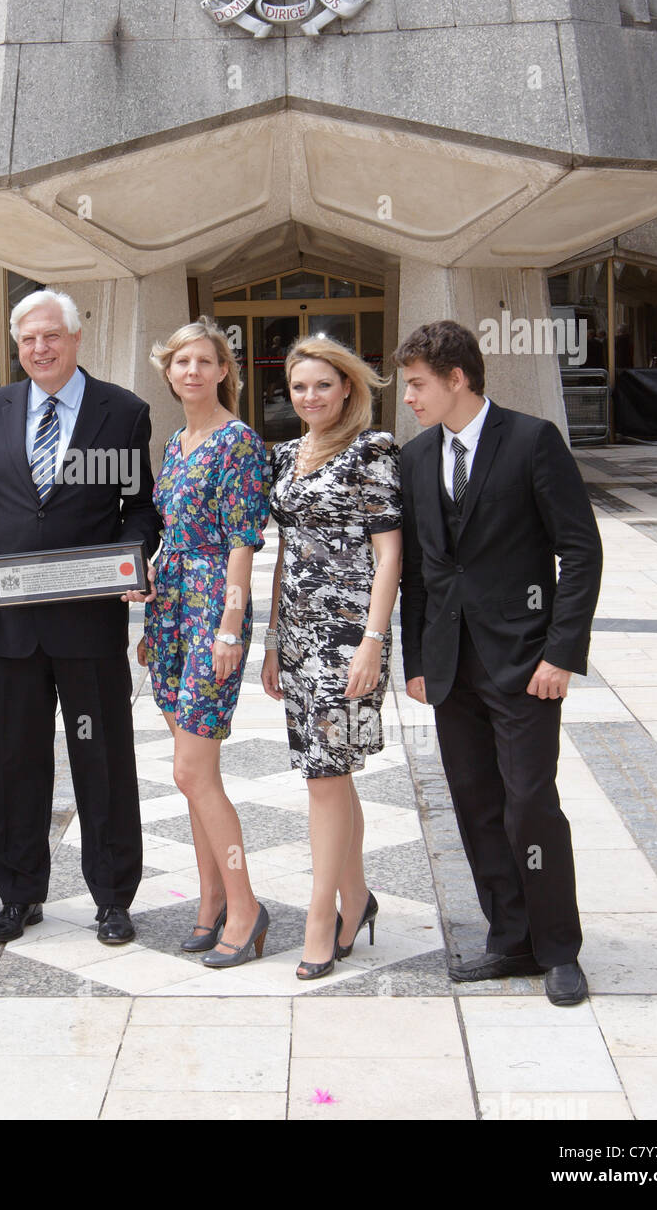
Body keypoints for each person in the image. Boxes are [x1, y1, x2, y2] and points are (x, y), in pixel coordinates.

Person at [394, 320, 602, 1006]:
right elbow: (422, 570)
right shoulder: (417, 457)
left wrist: (562, 653)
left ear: (458, 378)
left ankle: (559, 948)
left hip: (524, 663)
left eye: (419, 385)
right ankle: (509, 939)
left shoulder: (533, 440)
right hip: (452, 668)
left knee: (530, 806)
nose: (411, 399)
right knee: (477, 805)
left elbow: (581, 550)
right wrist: (419, 657)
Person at [0, 289, 160, 945]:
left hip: (88, 624)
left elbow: (138, 508)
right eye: (29, 339)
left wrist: (132, 560)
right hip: (10, 628)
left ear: (75, 338)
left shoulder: (121, 412)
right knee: (15, 764)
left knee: (103, 761)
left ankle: (114, 898)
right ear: (17, 345)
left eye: (52, 337)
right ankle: (18, 895)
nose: (40, 348)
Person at [261, 337, 402, 979]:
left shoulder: (372, 451)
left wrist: (373, 642)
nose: (310, 396)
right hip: (296, 637)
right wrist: (269, 639)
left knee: (323, 775)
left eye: (323, 385)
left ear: (347, 387)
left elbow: (390, 555)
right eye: (299, 387)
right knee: (330, 775)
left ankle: (321, 921)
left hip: (348, 639)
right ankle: (356, 900)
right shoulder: (287, 456)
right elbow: (285, 551)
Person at [140, 319, 271, 967]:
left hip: (214, 602)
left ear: (224, 370)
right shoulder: (177, 441)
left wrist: (230, 621)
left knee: (192, 770)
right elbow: (168, 533)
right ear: (169, 374)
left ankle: (246, 909)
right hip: (168, 606)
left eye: (204, 360)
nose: (191, 370)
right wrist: (147, 616)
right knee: (197, 777)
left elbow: (244, 540)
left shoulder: (239, 442)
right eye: (180, 361)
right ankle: (209, 900)